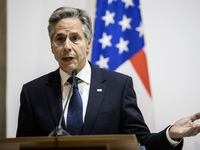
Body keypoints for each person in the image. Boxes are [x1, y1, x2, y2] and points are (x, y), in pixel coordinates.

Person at [16, 7, 200, 150]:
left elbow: (140, 141)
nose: (67, 46)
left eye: (75, 38)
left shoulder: (118, 86)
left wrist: (170, 134)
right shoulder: (33, 92)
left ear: (88, 43)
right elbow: (24, 146)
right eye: (60, 39)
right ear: (52, 46)